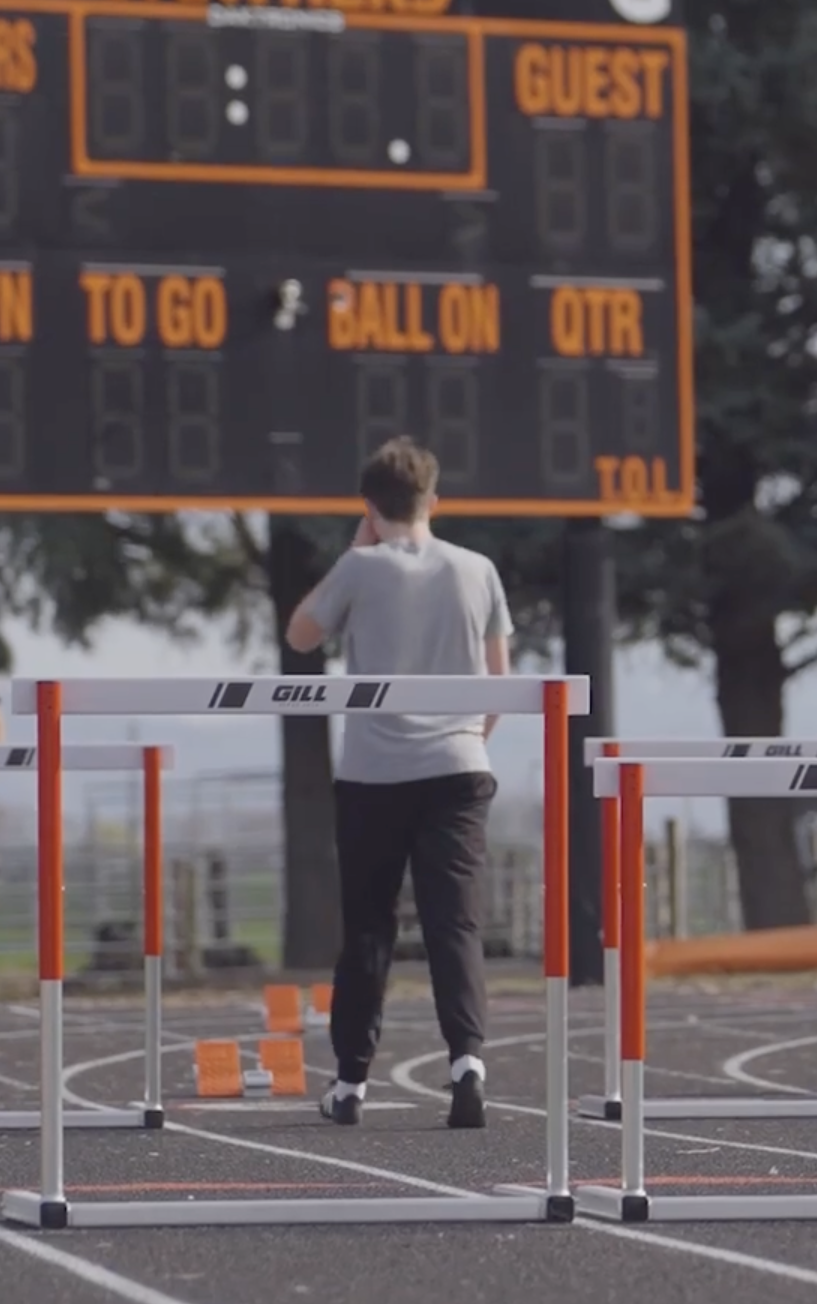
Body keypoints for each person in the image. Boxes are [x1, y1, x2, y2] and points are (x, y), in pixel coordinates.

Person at [285, 437, 516, 1129]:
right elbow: (502, 682)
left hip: (374, 773)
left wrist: (356, 550)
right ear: (433, 501)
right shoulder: (478, 569)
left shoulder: (361, 566)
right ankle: (466, 1063)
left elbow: (300, 635)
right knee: (456, 924)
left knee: (367, 928)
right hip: (457, 766)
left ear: (369, 506)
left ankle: (352, 1082)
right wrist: (472, 738)